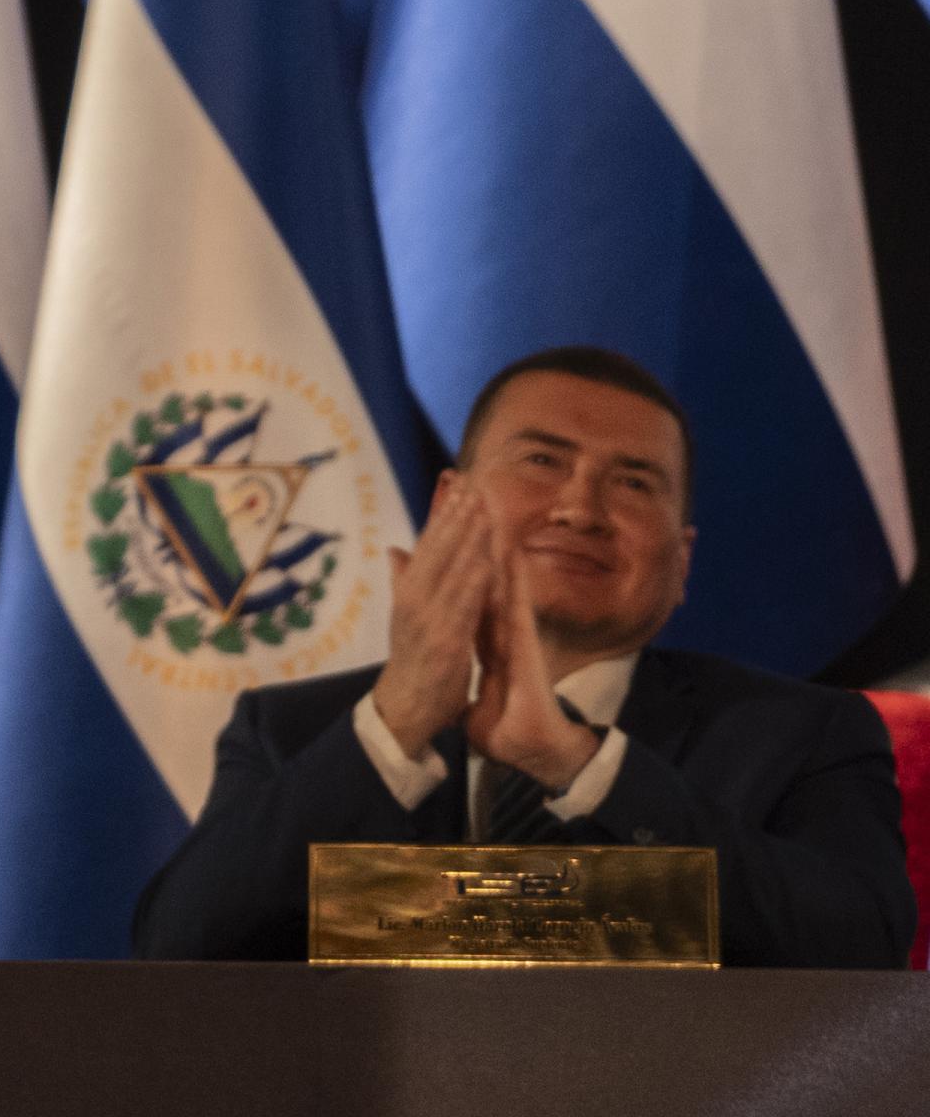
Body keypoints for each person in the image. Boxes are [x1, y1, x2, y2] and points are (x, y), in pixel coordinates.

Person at [133, 345, 915, 968]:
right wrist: (396, 724)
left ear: (681, 564)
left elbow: (859, 951)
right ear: (449, 505)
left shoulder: (804, 734)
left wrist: (580, 763)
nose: (581, 508)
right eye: (542, 461)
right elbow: (180, 946)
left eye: (635, 482)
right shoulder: (292, 729)